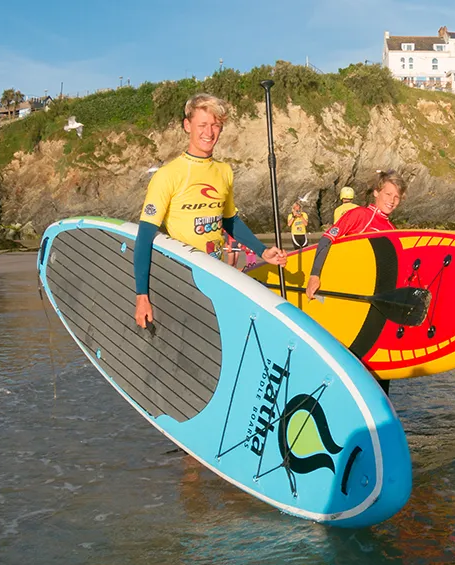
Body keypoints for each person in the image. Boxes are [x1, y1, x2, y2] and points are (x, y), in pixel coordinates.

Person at [133, 93, 286, 328]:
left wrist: (262, 251)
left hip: (217, 272)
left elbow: (230, 220)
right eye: (202, 125)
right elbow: (144, 236)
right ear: (187, 126)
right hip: (183, 276)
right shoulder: (168, 175)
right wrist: (141, 295)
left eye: (215, 125)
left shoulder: (224, 172)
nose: (209, 132)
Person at [306, 170, 406, 395]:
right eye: (387, 194)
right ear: (376, 193)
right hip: (347, 306)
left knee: (379, 380)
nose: (391, 200)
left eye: (396, 197)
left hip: (374, 311)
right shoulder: (360, 216)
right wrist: (315, 274)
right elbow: (326, 239)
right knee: (350, 368)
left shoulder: (393, 232)